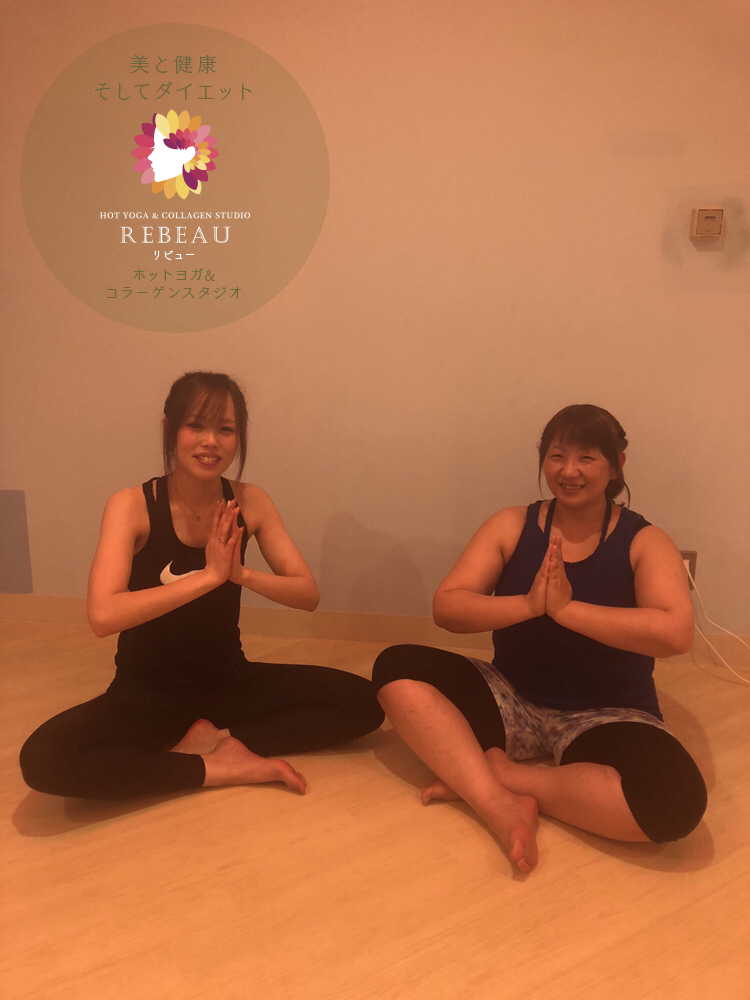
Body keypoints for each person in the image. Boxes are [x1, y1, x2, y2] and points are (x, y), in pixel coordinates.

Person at [372, 404, 707, 874]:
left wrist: (567, 611)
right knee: (395, 667)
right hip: (511, 695)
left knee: (675, 803)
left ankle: (504, 775)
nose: (568, 471)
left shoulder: (644, 540)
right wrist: (531, 605)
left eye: (586, 458)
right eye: (556, 456)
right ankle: (496, 803)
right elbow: (447, 606)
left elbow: (674, 634)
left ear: (617, 465)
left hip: (608, 711)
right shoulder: (512, 524)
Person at [20, 372, 383, 799]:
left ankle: (221, 740)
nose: (211, 442)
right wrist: (208, 577)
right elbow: (103, 616)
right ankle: (215, 767)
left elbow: (307, 594)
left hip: (229, 683)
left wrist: (240, 574)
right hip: (147, 693)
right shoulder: (131, 506)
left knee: (365, 702)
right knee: (44, 757)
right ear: (169, 428)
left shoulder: (251, 501)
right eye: (196, 425)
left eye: (226, 430)